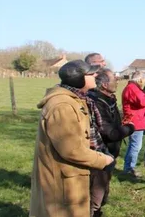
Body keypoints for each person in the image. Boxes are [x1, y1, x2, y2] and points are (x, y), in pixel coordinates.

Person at [30, 60, 115, 217]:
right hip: (61, 184)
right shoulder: (63, 106)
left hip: (69, 178)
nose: (96, 75)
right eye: (91, 73)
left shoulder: (76, 99)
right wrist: (103, 160)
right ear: (79, 79)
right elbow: (72, 150)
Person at [87, 68, 136, 217]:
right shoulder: (97, 102)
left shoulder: (109, 98)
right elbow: (110, 133)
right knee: (94, 199)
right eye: (114, 79)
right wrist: (130, 127)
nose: (117, 81)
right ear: (104, 85)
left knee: (102, 196)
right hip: (99, 155)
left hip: (109, 154)